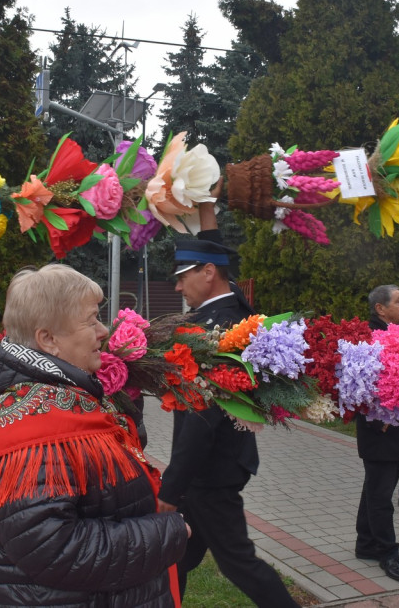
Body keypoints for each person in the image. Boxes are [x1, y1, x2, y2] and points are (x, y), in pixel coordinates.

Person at [0, 265, 190, 607]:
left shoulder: (60, 395)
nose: (103, 330)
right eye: (91, 320)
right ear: (48, 340)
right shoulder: (34, 431)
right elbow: (54, 548)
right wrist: (169, 534)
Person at [158, 202, 298, 608]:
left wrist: (172, 487)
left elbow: (201, 416)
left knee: (238, 563)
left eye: (182, 278)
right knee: (175, 559)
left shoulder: (212, 331)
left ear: (207, 274)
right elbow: (215, 257)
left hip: (207, 470)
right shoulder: (231, 307)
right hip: (211, 467)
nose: (178, 288)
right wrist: (206, 209)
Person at [354, 285, 399, 583]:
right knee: (382, 494)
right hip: (380, 429)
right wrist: (375, 419)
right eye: (398, 301)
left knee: (376, 487)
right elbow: (355, 382)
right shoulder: (367, 337)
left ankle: (366, 543)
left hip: (397, 428)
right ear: (380, 309)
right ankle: (388, 552)